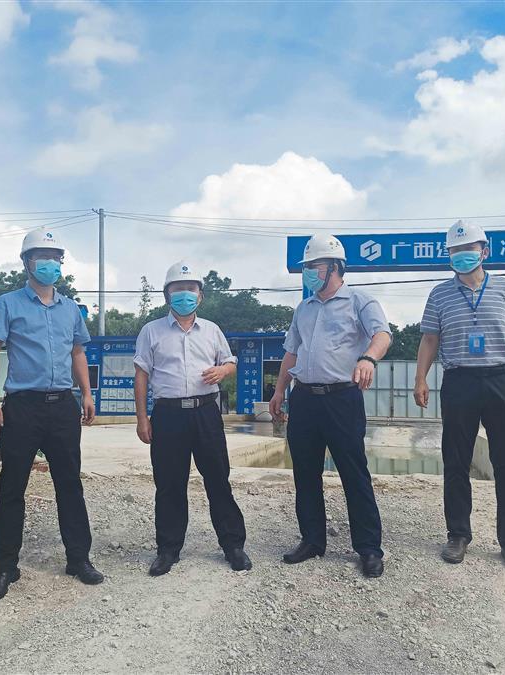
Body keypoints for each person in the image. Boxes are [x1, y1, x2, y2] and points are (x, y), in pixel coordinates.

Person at [0, 227, 103, 603]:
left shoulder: (70, 309)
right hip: (23, 406)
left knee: (69, 484)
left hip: (62, 406)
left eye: (55, 258)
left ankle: (78, 559)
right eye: (41, 258)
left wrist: (86, 393)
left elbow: (78, 352)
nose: (50, 265)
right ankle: (5, 567)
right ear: (26, 262)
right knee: (12, 486)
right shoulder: (7, 304)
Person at [268, 234, 391, 578]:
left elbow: (382, 335)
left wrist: (368, 358)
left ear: (335, 267)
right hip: (304, 399)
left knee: (354, 473)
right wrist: (279, 391)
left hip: (342, 399)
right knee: (305, 473)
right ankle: (312, 540)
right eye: (306, 267)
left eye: (314, 265)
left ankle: (369, 548)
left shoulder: (360, 301)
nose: (308, 272)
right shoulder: (304, 309)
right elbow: (291, 352)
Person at [413, 220, 505, 571]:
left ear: (484, 251)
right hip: (459, 381)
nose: (462, 255)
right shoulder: (439, 294)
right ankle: (458, 535)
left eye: (469, 249)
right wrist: (420, 378)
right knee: (456, 462)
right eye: (455, 250)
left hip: (501, 379)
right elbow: (430, 339)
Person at [133, 261, 251, 576]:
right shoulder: (151, 331)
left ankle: (233, 546)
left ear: (200, 295)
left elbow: (230, 363)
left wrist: (222, 371)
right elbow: (141, 375)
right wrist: (142, 418)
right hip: (168, 415)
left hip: (205, 412)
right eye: (178, 289)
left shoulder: (212, 330)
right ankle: (168, 550)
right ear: (167, 294)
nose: (184, 294)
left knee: (218, 479)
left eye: (190, 289)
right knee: (169, 483)